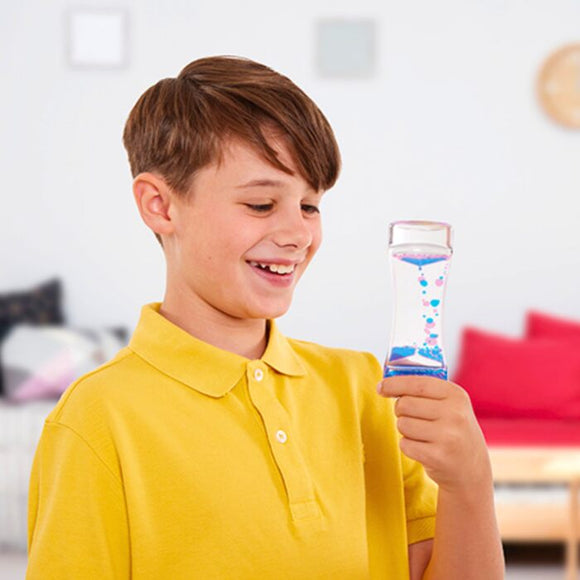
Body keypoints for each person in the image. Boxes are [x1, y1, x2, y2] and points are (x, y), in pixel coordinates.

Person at [26, 55, 504, 579]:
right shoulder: (97, 418)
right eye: (260, 205)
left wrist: (470, 482)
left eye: (310, 205)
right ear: (160, 205)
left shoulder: (367, 389)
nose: (297, 233)